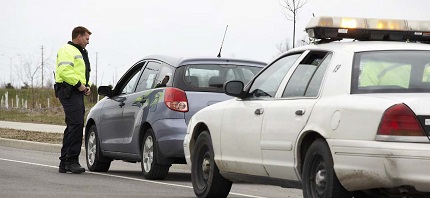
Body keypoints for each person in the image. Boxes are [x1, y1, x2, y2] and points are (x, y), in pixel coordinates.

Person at [55, 26, 92, 174]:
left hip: (76, 91)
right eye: (87, 38)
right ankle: (71, 161)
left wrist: (86, 86)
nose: (88, 42)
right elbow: (64, 72)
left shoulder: (80, 51)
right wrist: (80, 86)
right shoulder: (67, 50)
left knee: (73, 125)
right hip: (68, 90)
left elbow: (81, 73)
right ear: (78, 36)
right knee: (76, 124)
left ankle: (64, 162)